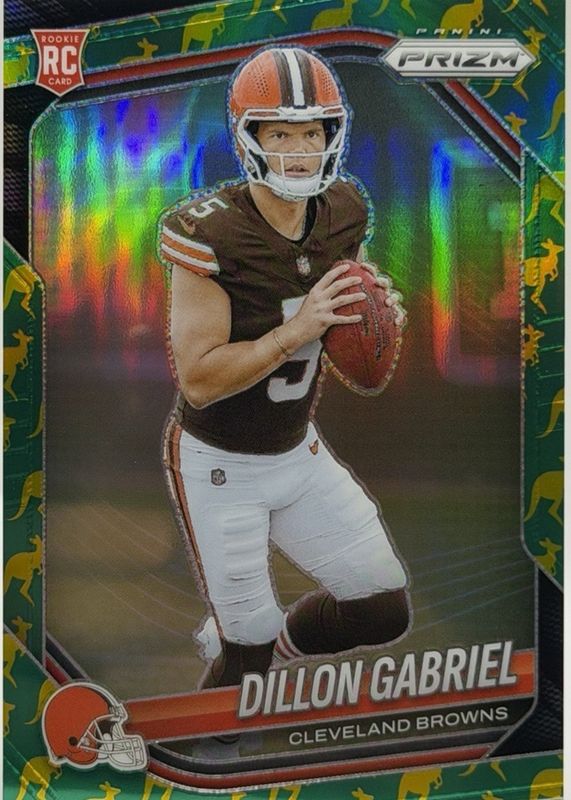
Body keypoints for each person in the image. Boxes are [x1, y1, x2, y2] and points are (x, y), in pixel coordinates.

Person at [158, 46, 410, 691]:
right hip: (220, 464)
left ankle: (276, 652)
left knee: (383, 609)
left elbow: (344, 323)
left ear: (332, 136)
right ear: (249, 139)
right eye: (280, 134)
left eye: (311, 133)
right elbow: (199, 380)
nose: (299, 150)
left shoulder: (345, 210)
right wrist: (296, 331)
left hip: (298, 452)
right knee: (244, 654)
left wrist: (369, 312)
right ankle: (212, 727)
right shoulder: (208, 233)